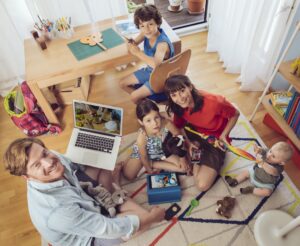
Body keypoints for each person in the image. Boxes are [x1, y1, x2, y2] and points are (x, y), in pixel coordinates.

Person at [3, 138, 165, 246]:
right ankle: (115, 194)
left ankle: (113, 192)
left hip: (81, 196)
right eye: (37, 165)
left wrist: (103, 144)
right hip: (90, 238)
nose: (49, 162)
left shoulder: (52, 158)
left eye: (44, 153)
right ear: (27, 177)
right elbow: (107, 228)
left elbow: (74, 166)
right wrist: (152, 218)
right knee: (143, 218)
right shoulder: (57, 212)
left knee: (103, 162)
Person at [164, 74, 240, 191]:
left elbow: (235, 114)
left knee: (202, 186)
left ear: (190, 86)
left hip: (215, 140)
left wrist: (224, 135)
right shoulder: (177, 106)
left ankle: (195, 158)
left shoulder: (214, 102)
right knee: (166, 143)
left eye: (182, 91)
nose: (179, 98)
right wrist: (188, 143)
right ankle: (196, 152)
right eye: (174, 95)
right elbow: (179, 127)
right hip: (194, 133)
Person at [113, 99, 189, 184]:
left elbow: (179, 137)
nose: (155, 123)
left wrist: (183, 159)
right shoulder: (142, 138)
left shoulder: (166, 124)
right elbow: (144, 157)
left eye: (156, 117)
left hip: (162, 151)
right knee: (129, 176)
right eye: (148, 121)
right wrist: (149, 170)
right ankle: (125, 162)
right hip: (145, 152)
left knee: (184, 168)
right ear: (141, 122)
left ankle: (154, 162)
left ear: (159, 115)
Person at [118, 4, 174, 104]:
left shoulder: (162, 44)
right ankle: (147, 105)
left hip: (160, 75)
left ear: (157, 23)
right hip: (149, 71)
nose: (146, 29)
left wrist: (138, 52)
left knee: (134, 97)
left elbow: (156, 65)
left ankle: (145, 105)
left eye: (150, 24)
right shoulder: (146, 33)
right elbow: (134, 43)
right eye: (142, 25)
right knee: (122, 84)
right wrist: (131, 43)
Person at [225, 142, 293, 197]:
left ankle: (252, 190)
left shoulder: (279, 168)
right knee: (245, 172)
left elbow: (272, 171)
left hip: (265, 183)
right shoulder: (267, 153)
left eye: (273, 156)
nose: (269, 155)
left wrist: (262, 163)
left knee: (267, 192)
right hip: (255, 173)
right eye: (270, 151)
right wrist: (258, 149)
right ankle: (235, 180)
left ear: (281, 162)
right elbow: (262, 150)